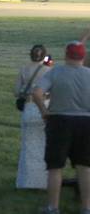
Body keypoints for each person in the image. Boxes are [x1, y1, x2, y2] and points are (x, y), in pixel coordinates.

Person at [32, 41, 90, 214]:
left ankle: (52, 207)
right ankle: (87, 207)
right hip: (86, 122)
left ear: (66, 55)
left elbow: (37, 93)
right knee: (85, 167)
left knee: (55, 167)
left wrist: (44, 111)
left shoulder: (55, 72)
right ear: (83, 56)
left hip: (59, 121)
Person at [16, 44, 52, 190]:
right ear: (44, 56)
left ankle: (26, 182)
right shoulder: (49, 70)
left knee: (27, 146)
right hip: (45, 107)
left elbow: (17, 91)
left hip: (30, 107)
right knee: (44, 146)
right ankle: (43, 182)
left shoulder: (24, 69)